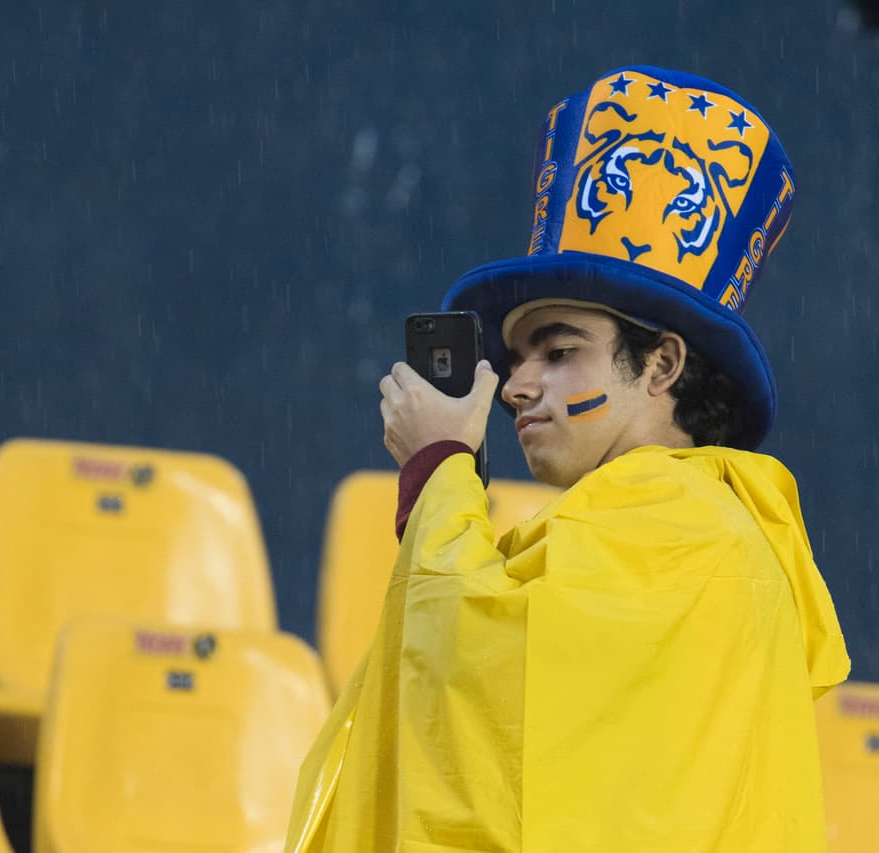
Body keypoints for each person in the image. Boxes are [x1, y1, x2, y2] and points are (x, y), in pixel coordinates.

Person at [287, 65, 850, 852]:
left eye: (558, 351)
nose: (516, 386)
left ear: (661, 366)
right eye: (517, 358)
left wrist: (440, 463)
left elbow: (474, 682)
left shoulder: (680, 526)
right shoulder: (692, 527)